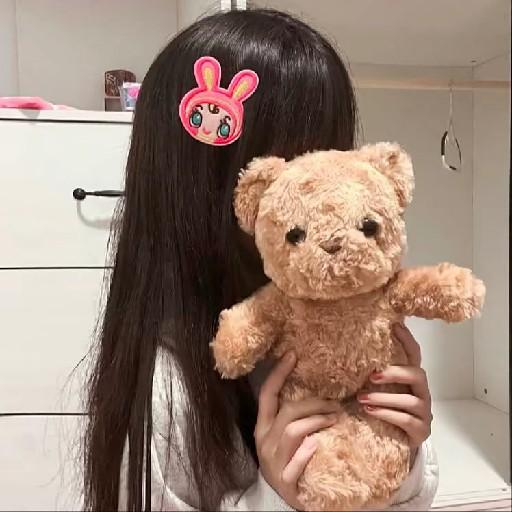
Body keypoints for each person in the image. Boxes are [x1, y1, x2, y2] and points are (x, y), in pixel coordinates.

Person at [83, 8, 439, 512]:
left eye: (330, 151)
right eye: (296, 162)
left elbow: (410, 496)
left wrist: (402, 449)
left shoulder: (346, 326)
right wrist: (277, 497)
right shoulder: (167, 392)